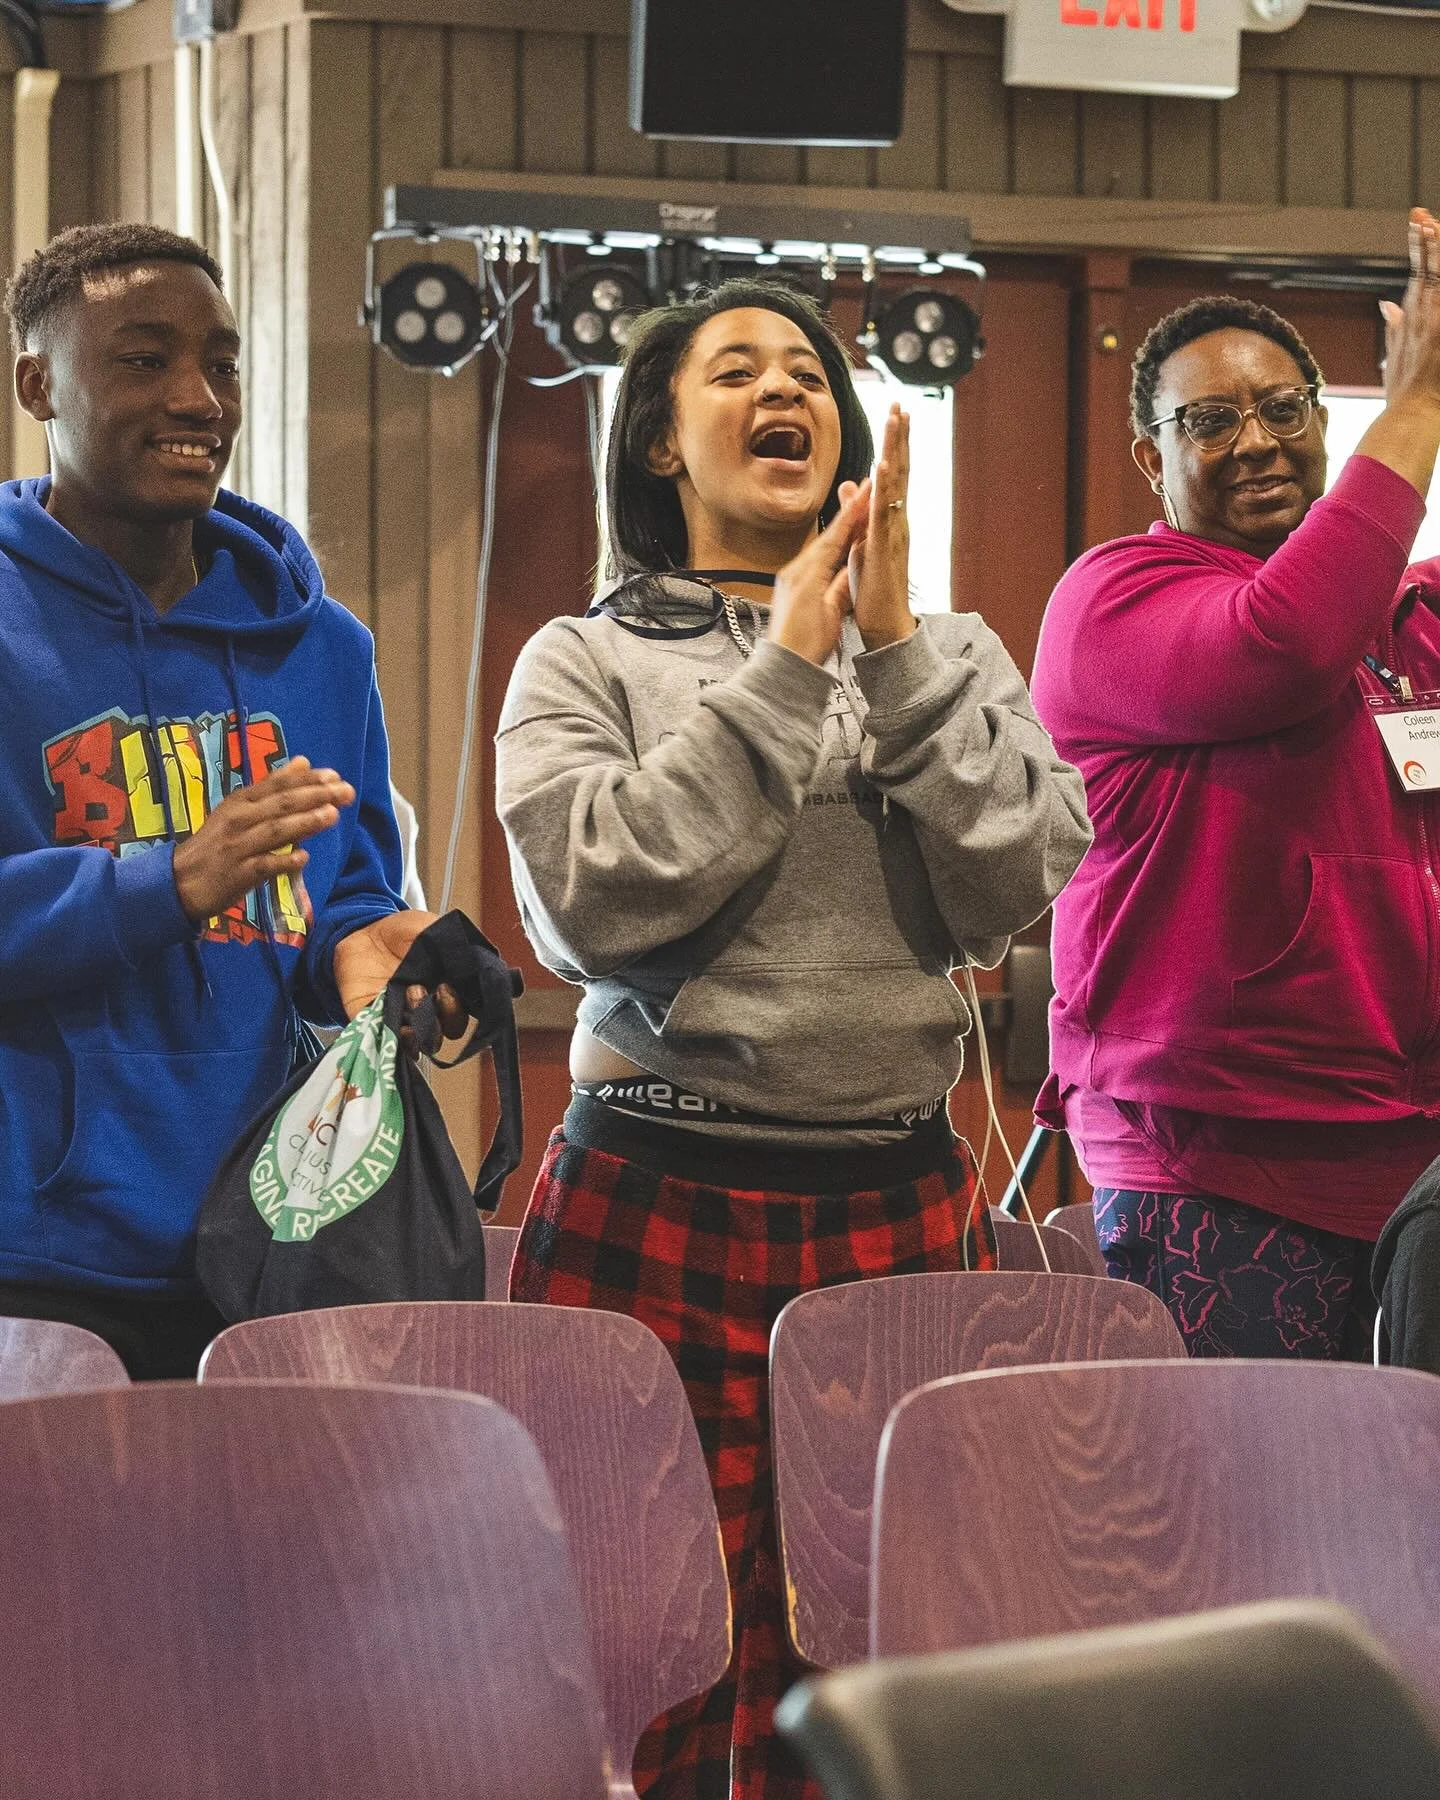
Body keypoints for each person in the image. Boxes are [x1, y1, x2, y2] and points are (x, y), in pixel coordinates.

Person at [496, 279, 1090, 1799]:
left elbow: (1022, 877)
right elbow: (589, 904)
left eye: (811, 375)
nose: (787, 391)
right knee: (636, 1650)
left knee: (887, 1651)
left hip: (898, 1196)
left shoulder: (948, 650)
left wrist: (889, 651)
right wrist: (781, 671)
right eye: (738, 371)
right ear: (659, 444)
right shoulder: (582, 658)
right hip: (653, 1193)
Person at [0, 223, 461, 1379]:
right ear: (37, 385)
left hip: (271, 1243)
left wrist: (368, 953)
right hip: (33, 1256)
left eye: (222, 363)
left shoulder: (323, 648)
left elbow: (344, 898)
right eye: (144, 359)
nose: (199, 398)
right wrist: (166, 881)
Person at [1031, 206, 1440, 1360]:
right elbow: (1287, 642)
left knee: (1409, 1478)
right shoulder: (1114, 599)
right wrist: (1417, 407)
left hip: (1412, 1154)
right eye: (1211, 421)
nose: (1256, 440)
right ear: (1151, 459)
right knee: (1253, 1479)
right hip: (1213, 1160)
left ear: (1322, 423)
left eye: (1282, 410)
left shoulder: (1410, 615)